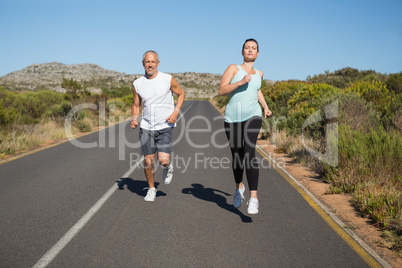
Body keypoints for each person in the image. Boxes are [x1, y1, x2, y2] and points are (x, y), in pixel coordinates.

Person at [218, 38, 272, 214]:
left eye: (253, 48)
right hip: (232, 118)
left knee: (249, 152)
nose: (250, 50)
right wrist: (240, 82)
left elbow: (256, 90)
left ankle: (254, 198)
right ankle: (238, 188)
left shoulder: (260, 73)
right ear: (242, 52)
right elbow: (222, 90)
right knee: (237, 156)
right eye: (247, 48)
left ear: (257, 53)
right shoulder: (234, 68)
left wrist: (265, 106)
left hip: (253, 116)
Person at [131, 50, 185, 202]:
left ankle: (168, 167)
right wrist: (134, 119)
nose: (150, 65)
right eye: (147, 62)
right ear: (143, 64)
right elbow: (136, 105)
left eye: (153, 62)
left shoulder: (167, 79)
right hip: (146, 126)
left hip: (165, 125)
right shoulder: (137, 84)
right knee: (148, 160)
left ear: (158, 63)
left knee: (163, 160)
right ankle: (151, 189)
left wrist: (176, 112)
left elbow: (181, 93)